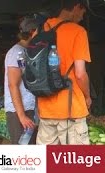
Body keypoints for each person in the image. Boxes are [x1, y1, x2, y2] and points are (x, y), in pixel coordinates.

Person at [36, 0, 92, 145]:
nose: (81, 17)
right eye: (82, 13)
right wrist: (87, 96)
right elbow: (80, 74)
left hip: (45, 107)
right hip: (70, 109)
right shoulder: (78, 31)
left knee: (47, 163)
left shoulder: (41, 29)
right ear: (77, 7)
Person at [4, 17, 39, 144]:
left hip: (28, 108)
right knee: (21, 151)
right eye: (38, 32)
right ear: (32, 32)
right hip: (17, 111)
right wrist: (22, 116)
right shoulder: (16, 53)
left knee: (30, 150)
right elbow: (13, 85)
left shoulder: (26, 51)